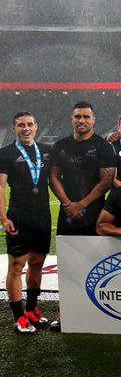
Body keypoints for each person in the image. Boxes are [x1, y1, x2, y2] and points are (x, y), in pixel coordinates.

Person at [0, 112, 52, 333]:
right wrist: (3, 218)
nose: (26, 128)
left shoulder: (47, 151)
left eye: (30, 124)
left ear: (36, 126)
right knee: (17, 265)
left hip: (43, 215)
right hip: (19, 215)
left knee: (38, 263)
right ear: (14, 128)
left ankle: (31, 310)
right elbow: (0, 187)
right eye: (21, 124)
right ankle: (18, 317)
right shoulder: (6, 153)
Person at [50, 101, 117, 235]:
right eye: (77, 117)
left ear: (93, 120)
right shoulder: (60, 145)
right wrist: (68, 204)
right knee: (66, 253)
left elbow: (106, 182)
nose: (81, 120)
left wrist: (80, 205)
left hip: (95, 212)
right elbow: (53, 177)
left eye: (86, 117)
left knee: (95, 255)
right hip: (67, 211)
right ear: (71, 119)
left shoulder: (104, 146)